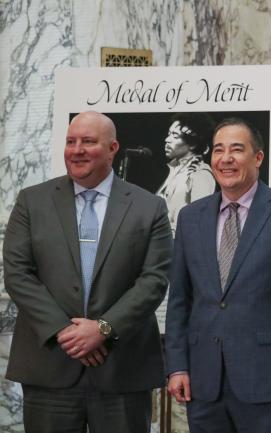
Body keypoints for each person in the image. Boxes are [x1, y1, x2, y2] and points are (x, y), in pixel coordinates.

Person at [2, 111, 173, 433]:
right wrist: (67, 333)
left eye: (88, 142)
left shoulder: (149, 207)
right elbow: (18, 274)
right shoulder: (32, 202)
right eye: (71, 142)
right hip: (49, 367)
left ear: (113, 148)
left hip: (122, 369)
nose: (77, 149)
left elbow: (154, 280)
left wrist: (103, 329)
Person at [164, 117, 271, 433]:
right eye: (219, 150)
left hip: (270, 381)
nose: (226, 159)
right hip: (204, 381)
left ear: (258, 158)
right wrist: (178, 366)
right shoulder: (189, 218)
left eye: (237, 150)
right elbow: (180, 300)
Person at [157, 112, 216, 234]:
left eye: (175, 135)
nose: (167, 139)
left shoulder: (201, 175)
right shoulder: (172, 171)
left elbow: (200, 223)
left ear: (193, 143)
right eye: (169, 134)